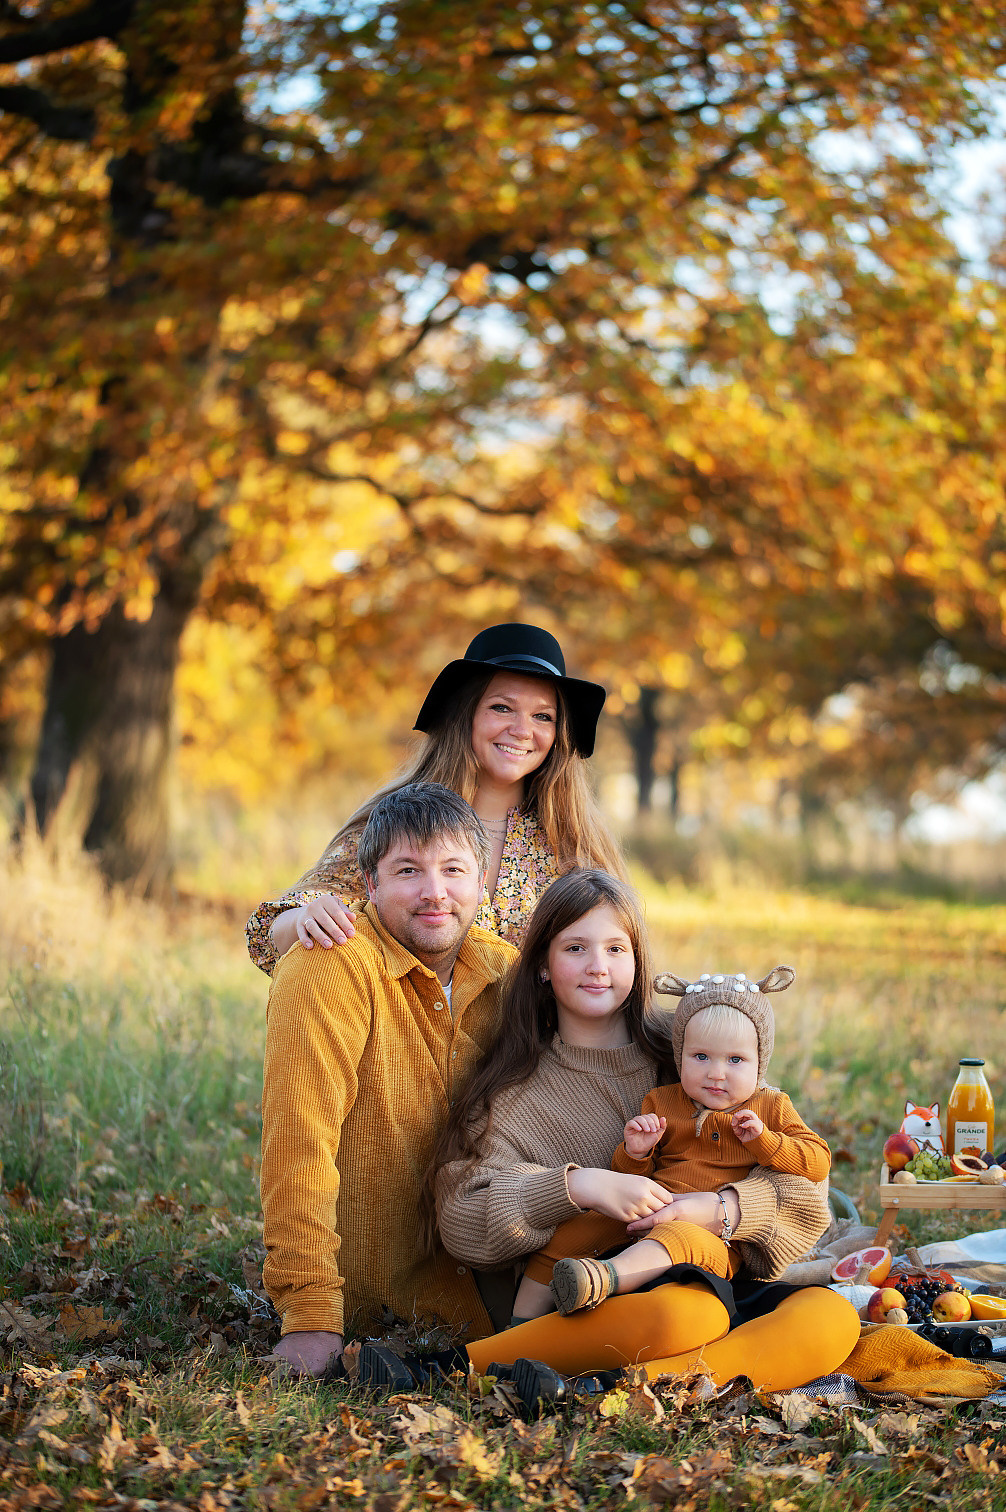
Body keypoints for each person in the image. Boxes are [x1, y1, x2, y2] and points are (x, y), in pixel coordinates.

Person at [355, 870, 858, 1405]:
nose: (598, 966)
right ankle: (446, 1369)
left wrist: (721, 1210)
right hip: (613, 1297)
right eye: (575, 948)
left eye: (616, 949)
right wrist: (579, 1187)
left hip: (724, 1267)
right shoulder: (515, 1092)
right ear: (543, 965)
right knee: (685, 1315)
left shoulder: (697, 1054)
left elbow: (807, 1185)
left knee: (832, 1317)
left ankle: (600, 1387)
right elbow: (464, 1219)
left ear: (637, 964)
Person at [260, 781, 528, 1379]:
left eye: (454, 870)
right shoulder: (329, 965)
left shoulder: (505, 971)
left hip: (505, 1267)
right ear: (370, 883)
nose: (435, 892)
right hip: (381, 1300)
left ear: (482, 883)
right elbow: (299, 1145)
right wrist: (309, 1318)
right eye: (409, 870)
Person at [245, 623, 623, 975]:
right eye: (502, 707)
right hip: (408, 1022)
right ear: (466, 713)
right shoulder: (401, 819)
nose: (523, 730)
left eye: (543, 716)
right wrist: (304, 919)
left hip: (528, 1028)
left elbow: (616, 958)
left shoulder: (573, 840)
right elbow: (269, 934)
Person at [532, 967, 832, 1318]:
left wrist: (765, 1141)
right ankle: (519, 1323)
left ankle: (601, 1279)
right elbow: (631, 1178)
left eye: (735, 1060)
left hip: (714, 1239)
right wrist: (636, 1152)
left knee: (678, 1238)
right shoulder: (662, 1101)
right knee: (573, 1231)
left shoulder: (770, 1106)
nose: (716, 1073)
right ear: (680, 1055)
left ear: (760, 1062)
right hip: (650, 1211)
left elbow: (818, 1161)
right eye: (701, 1057)